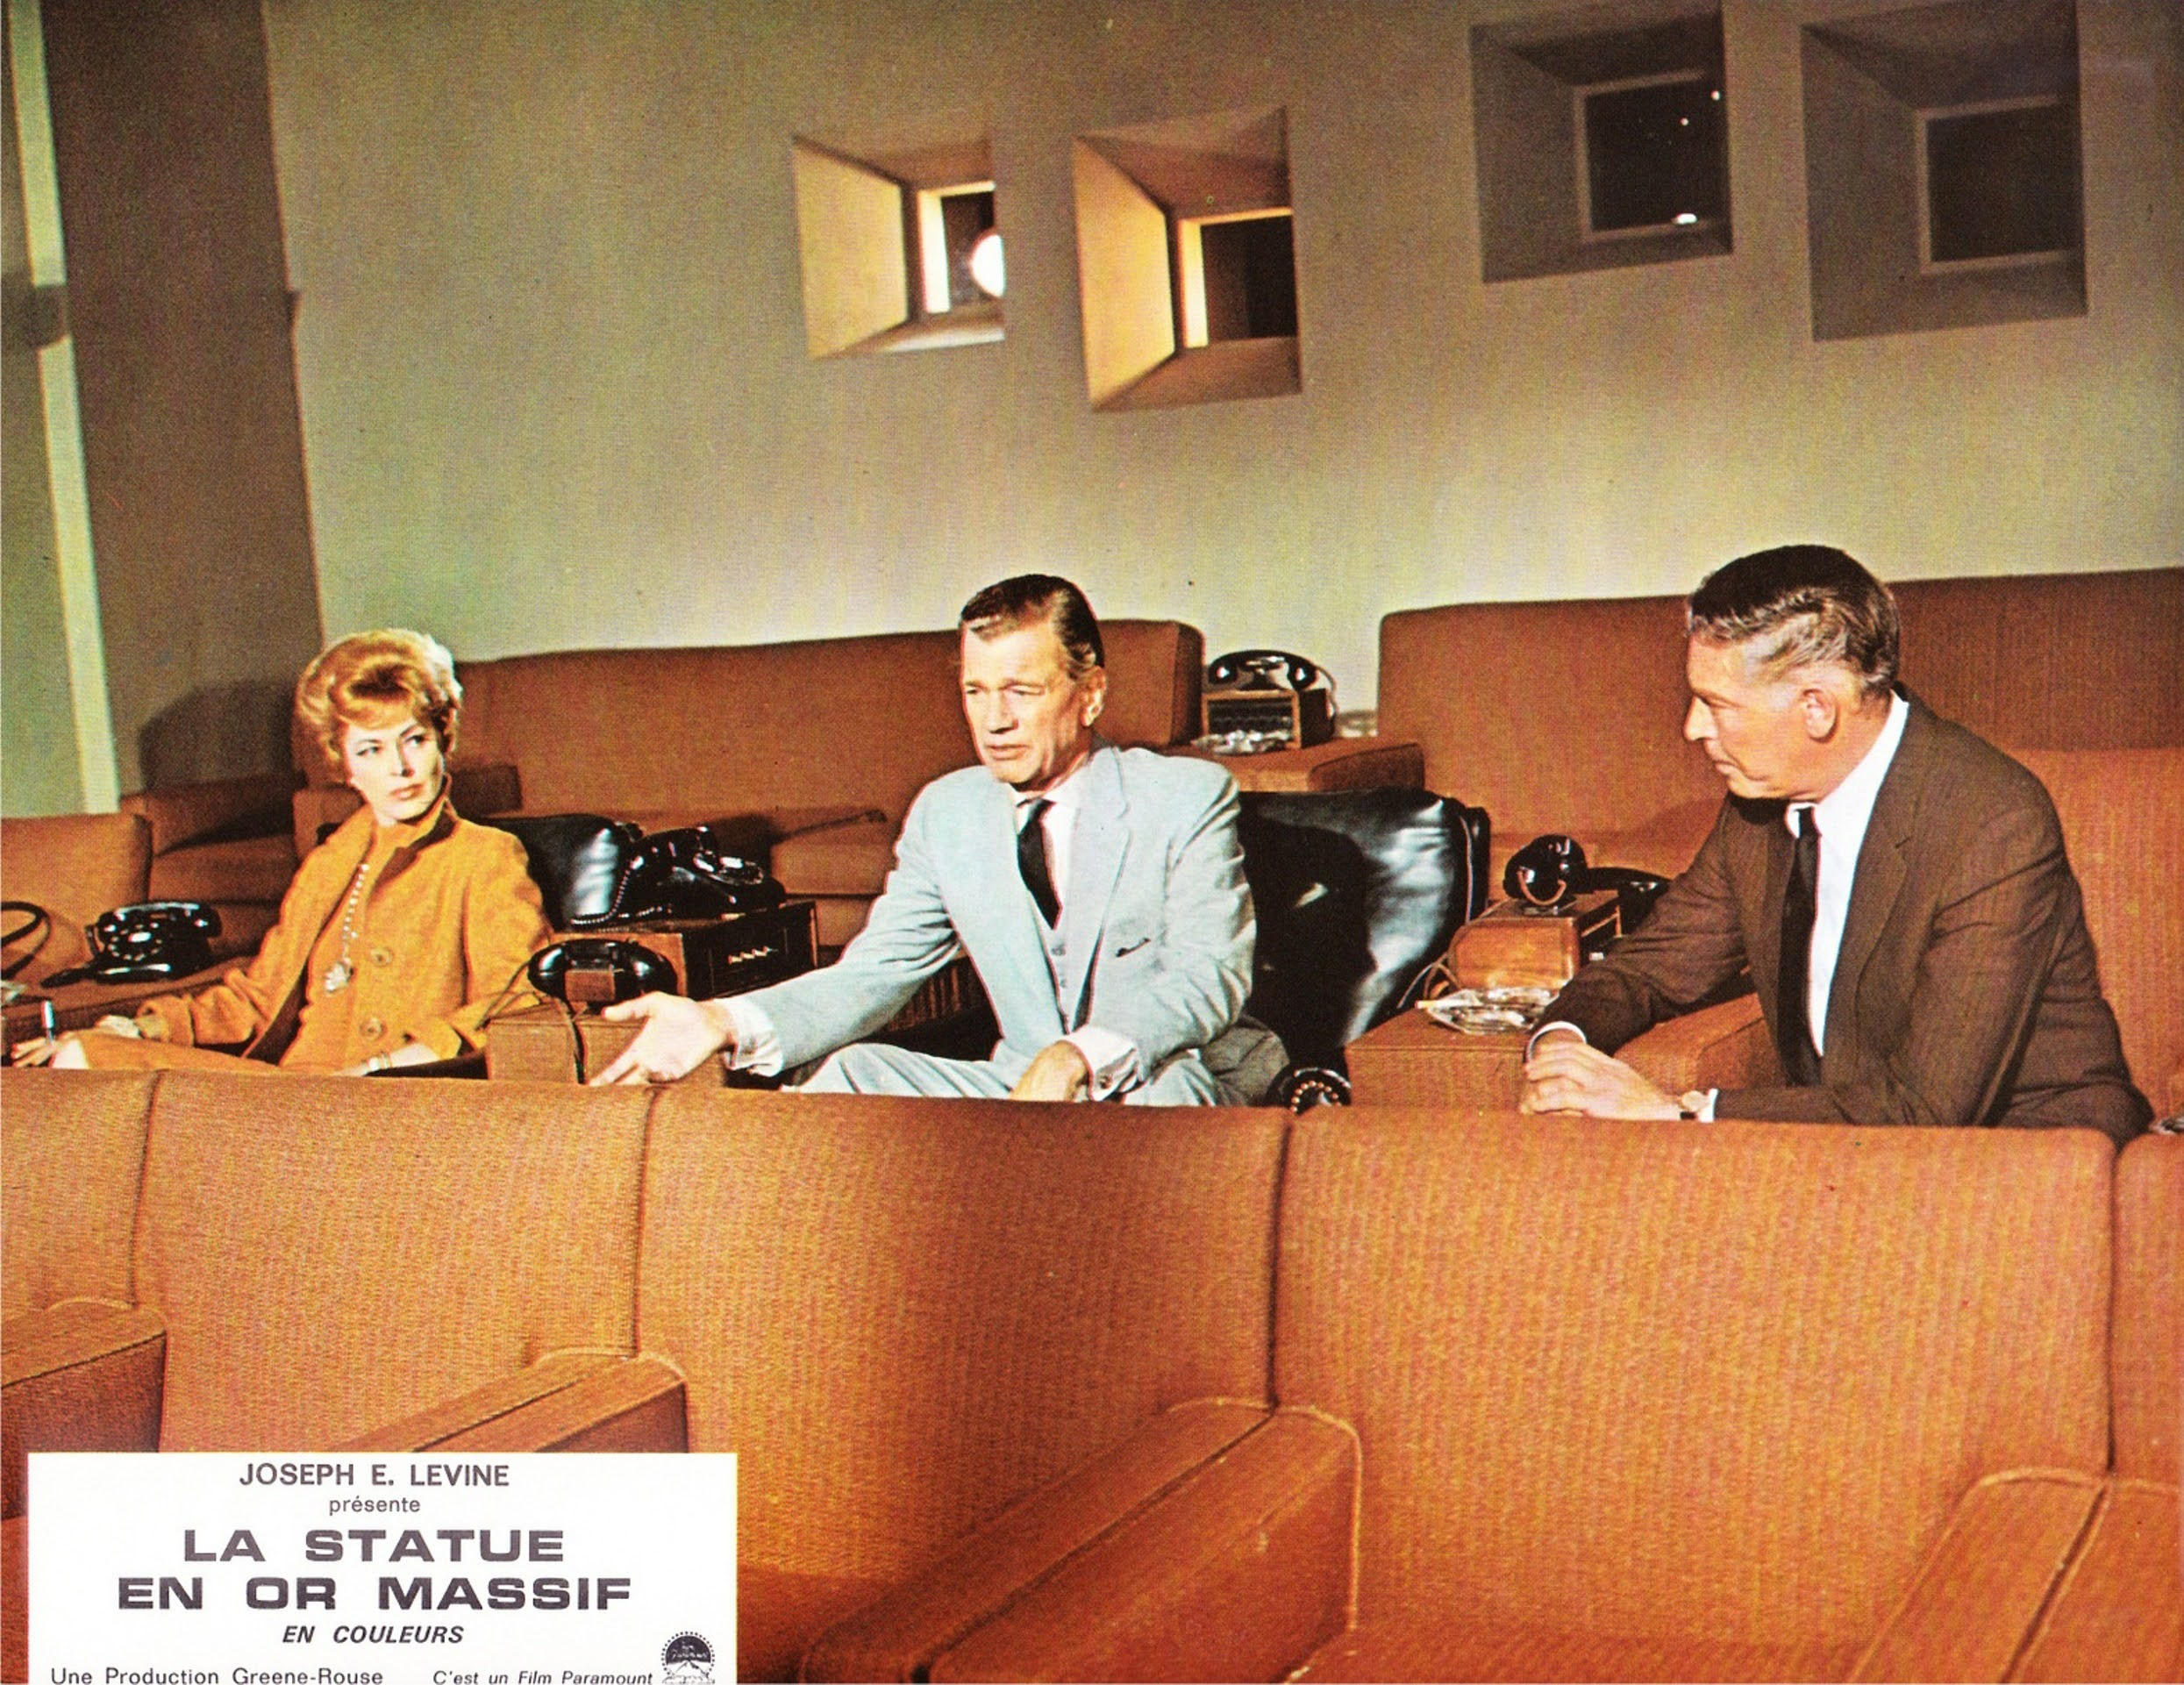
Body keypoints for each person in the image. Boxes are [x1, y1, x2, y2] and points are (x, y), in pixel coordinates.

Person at [1519, 545, 2150, 1147]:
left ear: (1817, 709)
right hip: (1848, 1148)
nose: (1692, 728)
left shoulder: (1993, 823)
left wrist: (1678, 1112)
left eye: (1716, 704)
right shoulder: (1757, 806)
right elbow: (1650, 966)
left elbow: (1928, 1109)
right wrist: (1562, 1048)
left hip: (2023, 1157)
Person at [594, 574, 1285, 1103]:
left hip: (1168, 1077)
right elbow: (874, 975)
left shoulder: (1184, 795)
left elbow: (1208, 975)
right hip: (1021, 1091)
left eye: (1021, 691)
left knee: (1167, 1090)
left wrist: (1079, 1054)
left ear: (1091, 694)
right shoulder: (946, 813)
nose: (994, 720)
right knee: (851, 1074)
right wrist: (722, 1020)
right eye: (975, 691)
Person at [14, 629, 552, 1075]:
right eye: (371, 749)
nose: (400, 768)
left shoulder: (486, 855)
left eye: (415, 740)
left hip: (387, 1093)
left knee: (85, 1060)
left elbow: (515, 1003)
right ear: (343, 765)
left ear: (442, 740)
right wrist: (143, 1029)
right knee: (85, 1057)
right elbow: (257, 999)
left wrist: (384, 1066)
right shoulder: (332, 861)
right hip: (292, 1091)